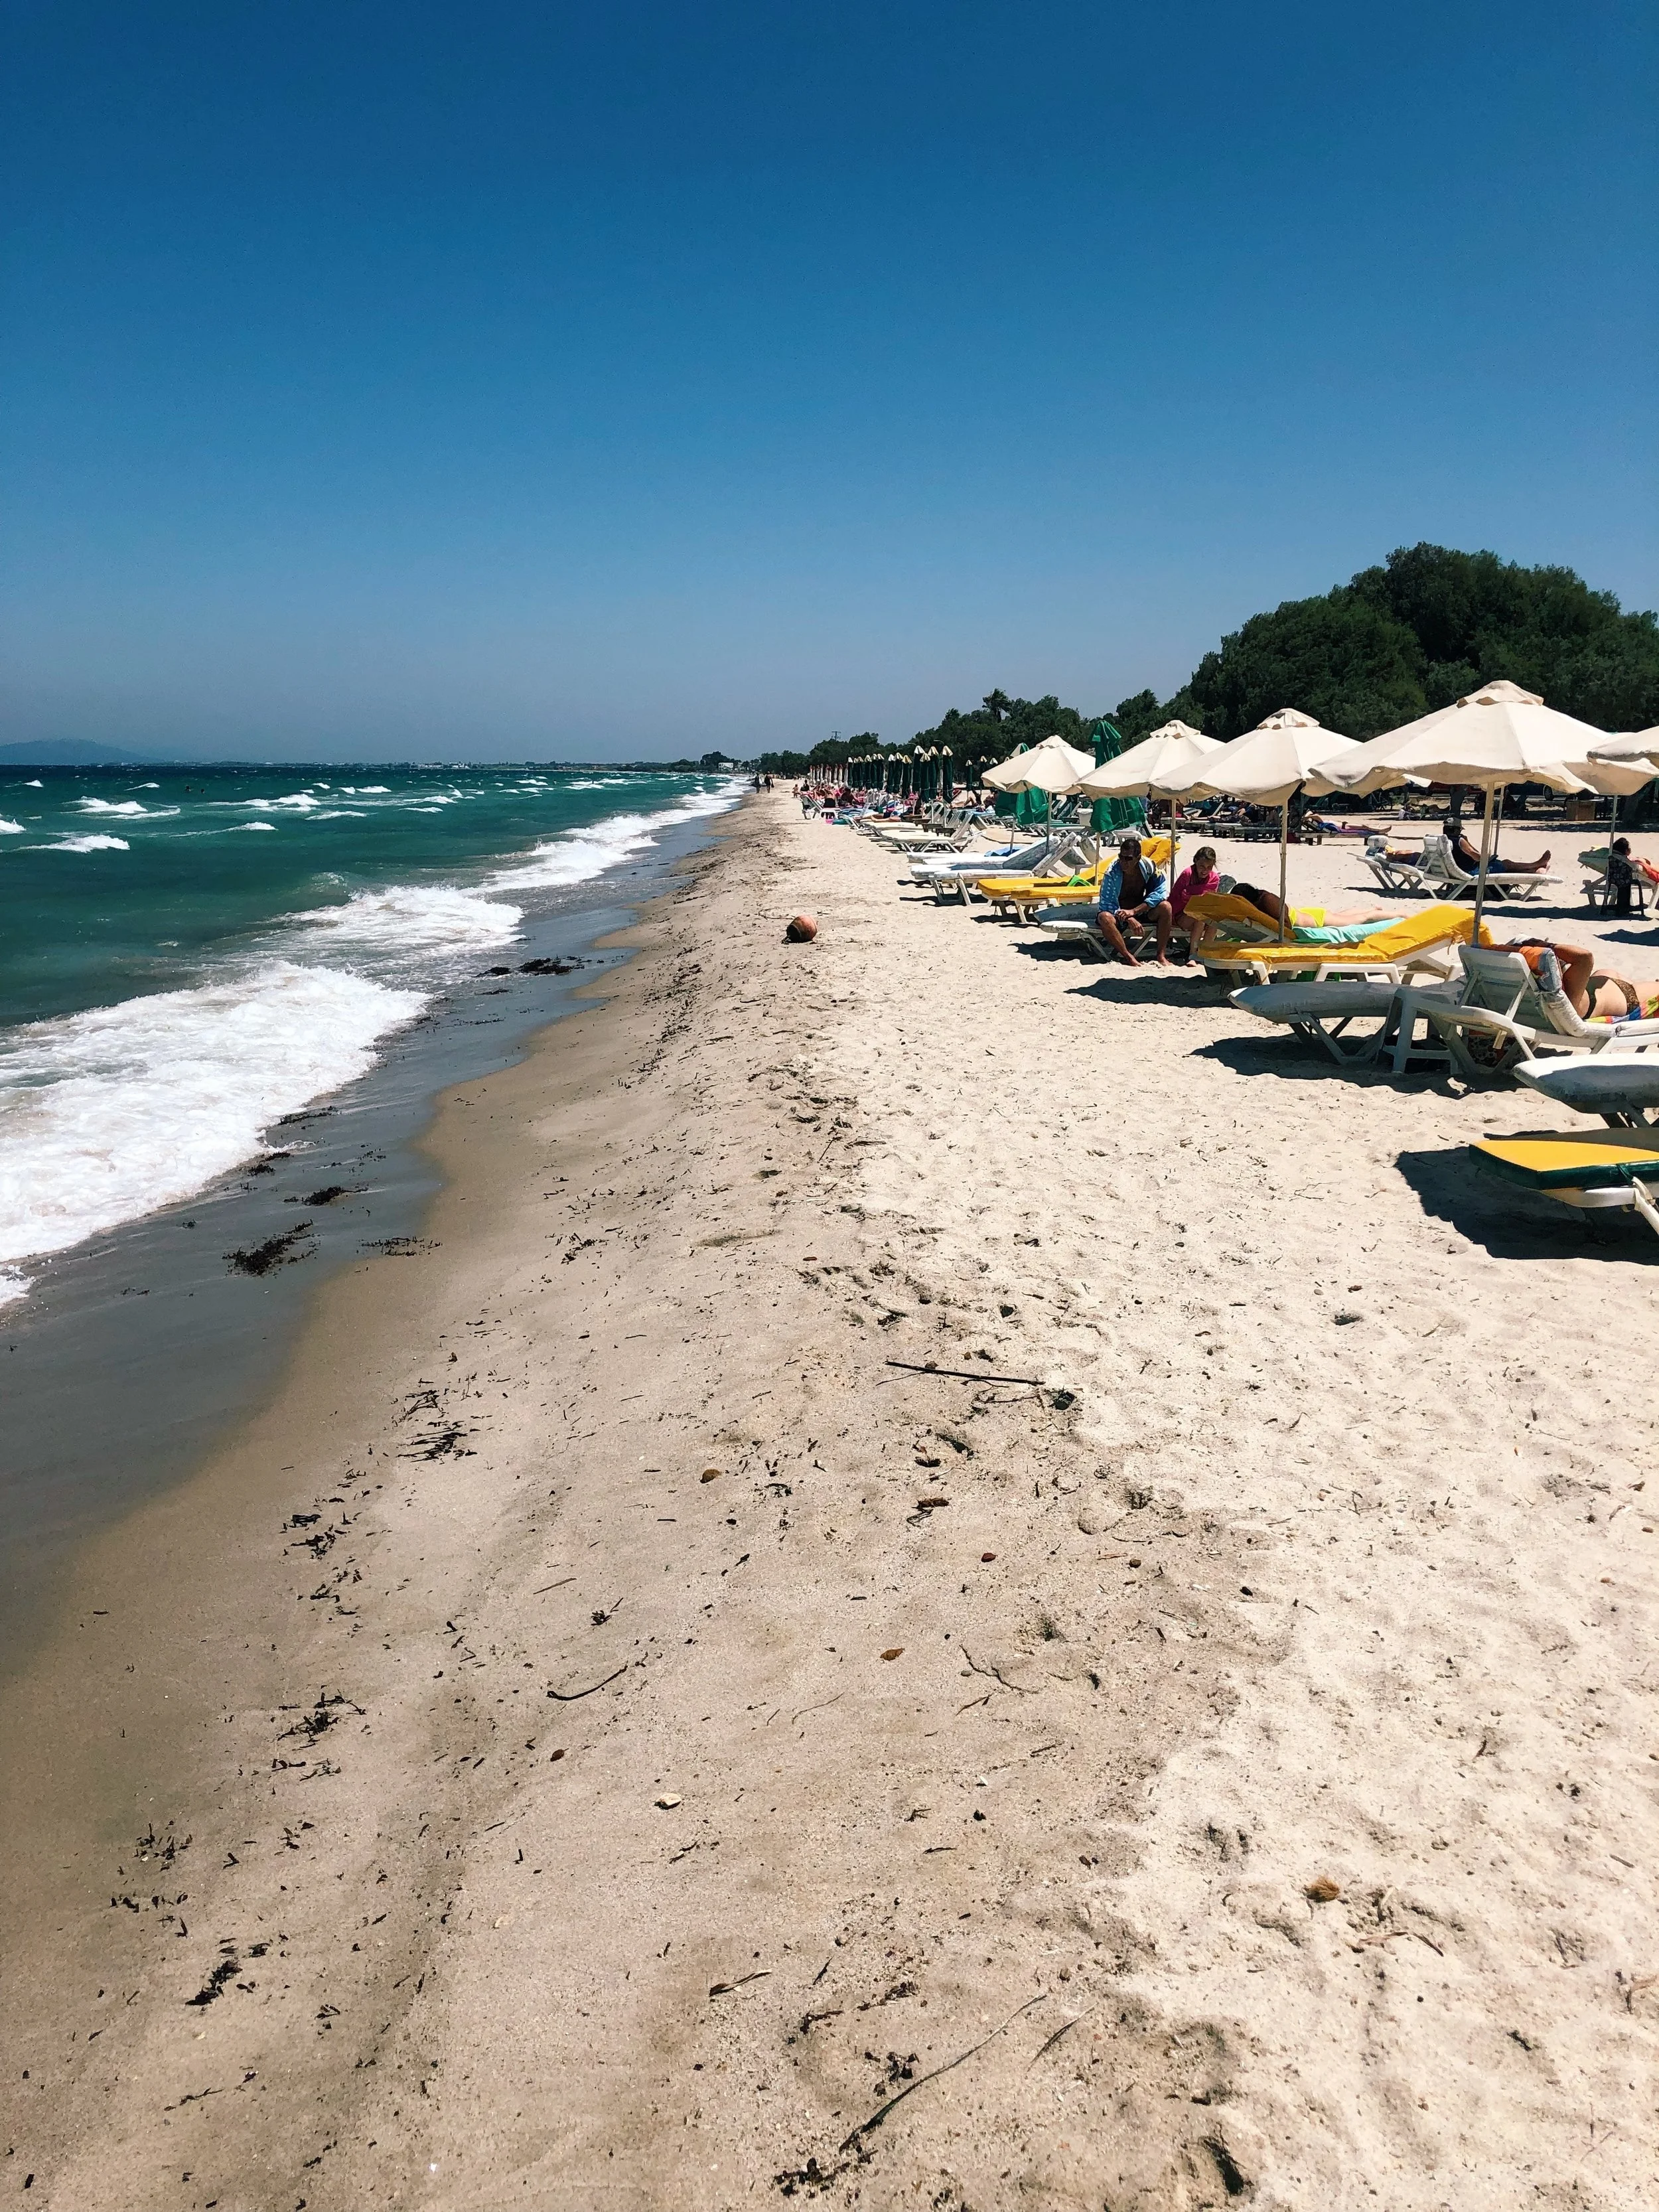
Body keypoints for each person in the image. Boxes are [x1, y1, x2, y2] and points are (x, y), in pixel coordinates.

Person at [1505, 936, 1659, 1019]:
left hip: (1600, 987)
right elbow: (1585, 957)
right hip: (1625, 997)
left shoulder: (1519, 992)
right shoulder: (1568, 1002)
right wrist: (1546, 946)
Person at [1094, 835, 1172, 964]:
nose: (1123, 862)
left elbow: (1161, 891)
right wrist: (1128, 917)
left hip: (1140, 911)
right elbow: (1106, 904)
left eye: (1128, 858)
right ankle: (1128, 956)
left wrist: (1135, 911)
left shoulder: (1149, 867)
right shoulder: (1112, 873)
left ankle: (1161, 955)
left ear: (1138, 858)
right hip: (1118, 915)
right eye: (1121, 857)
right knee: (1104, 917)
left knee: (1166, 907)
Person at [1447, 813, 1552, 876]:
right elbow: (1478, 857)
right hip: (1472, 872)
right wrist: (1487, 857)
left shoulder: (1443, 840)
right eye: (1460, 830)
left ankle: (1535, 871)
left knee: (1505, 866)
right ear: (1456, 830)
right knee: (1507, 864)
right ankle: (1536, 865)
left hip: (1457, 871)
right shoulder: (1460, 841)